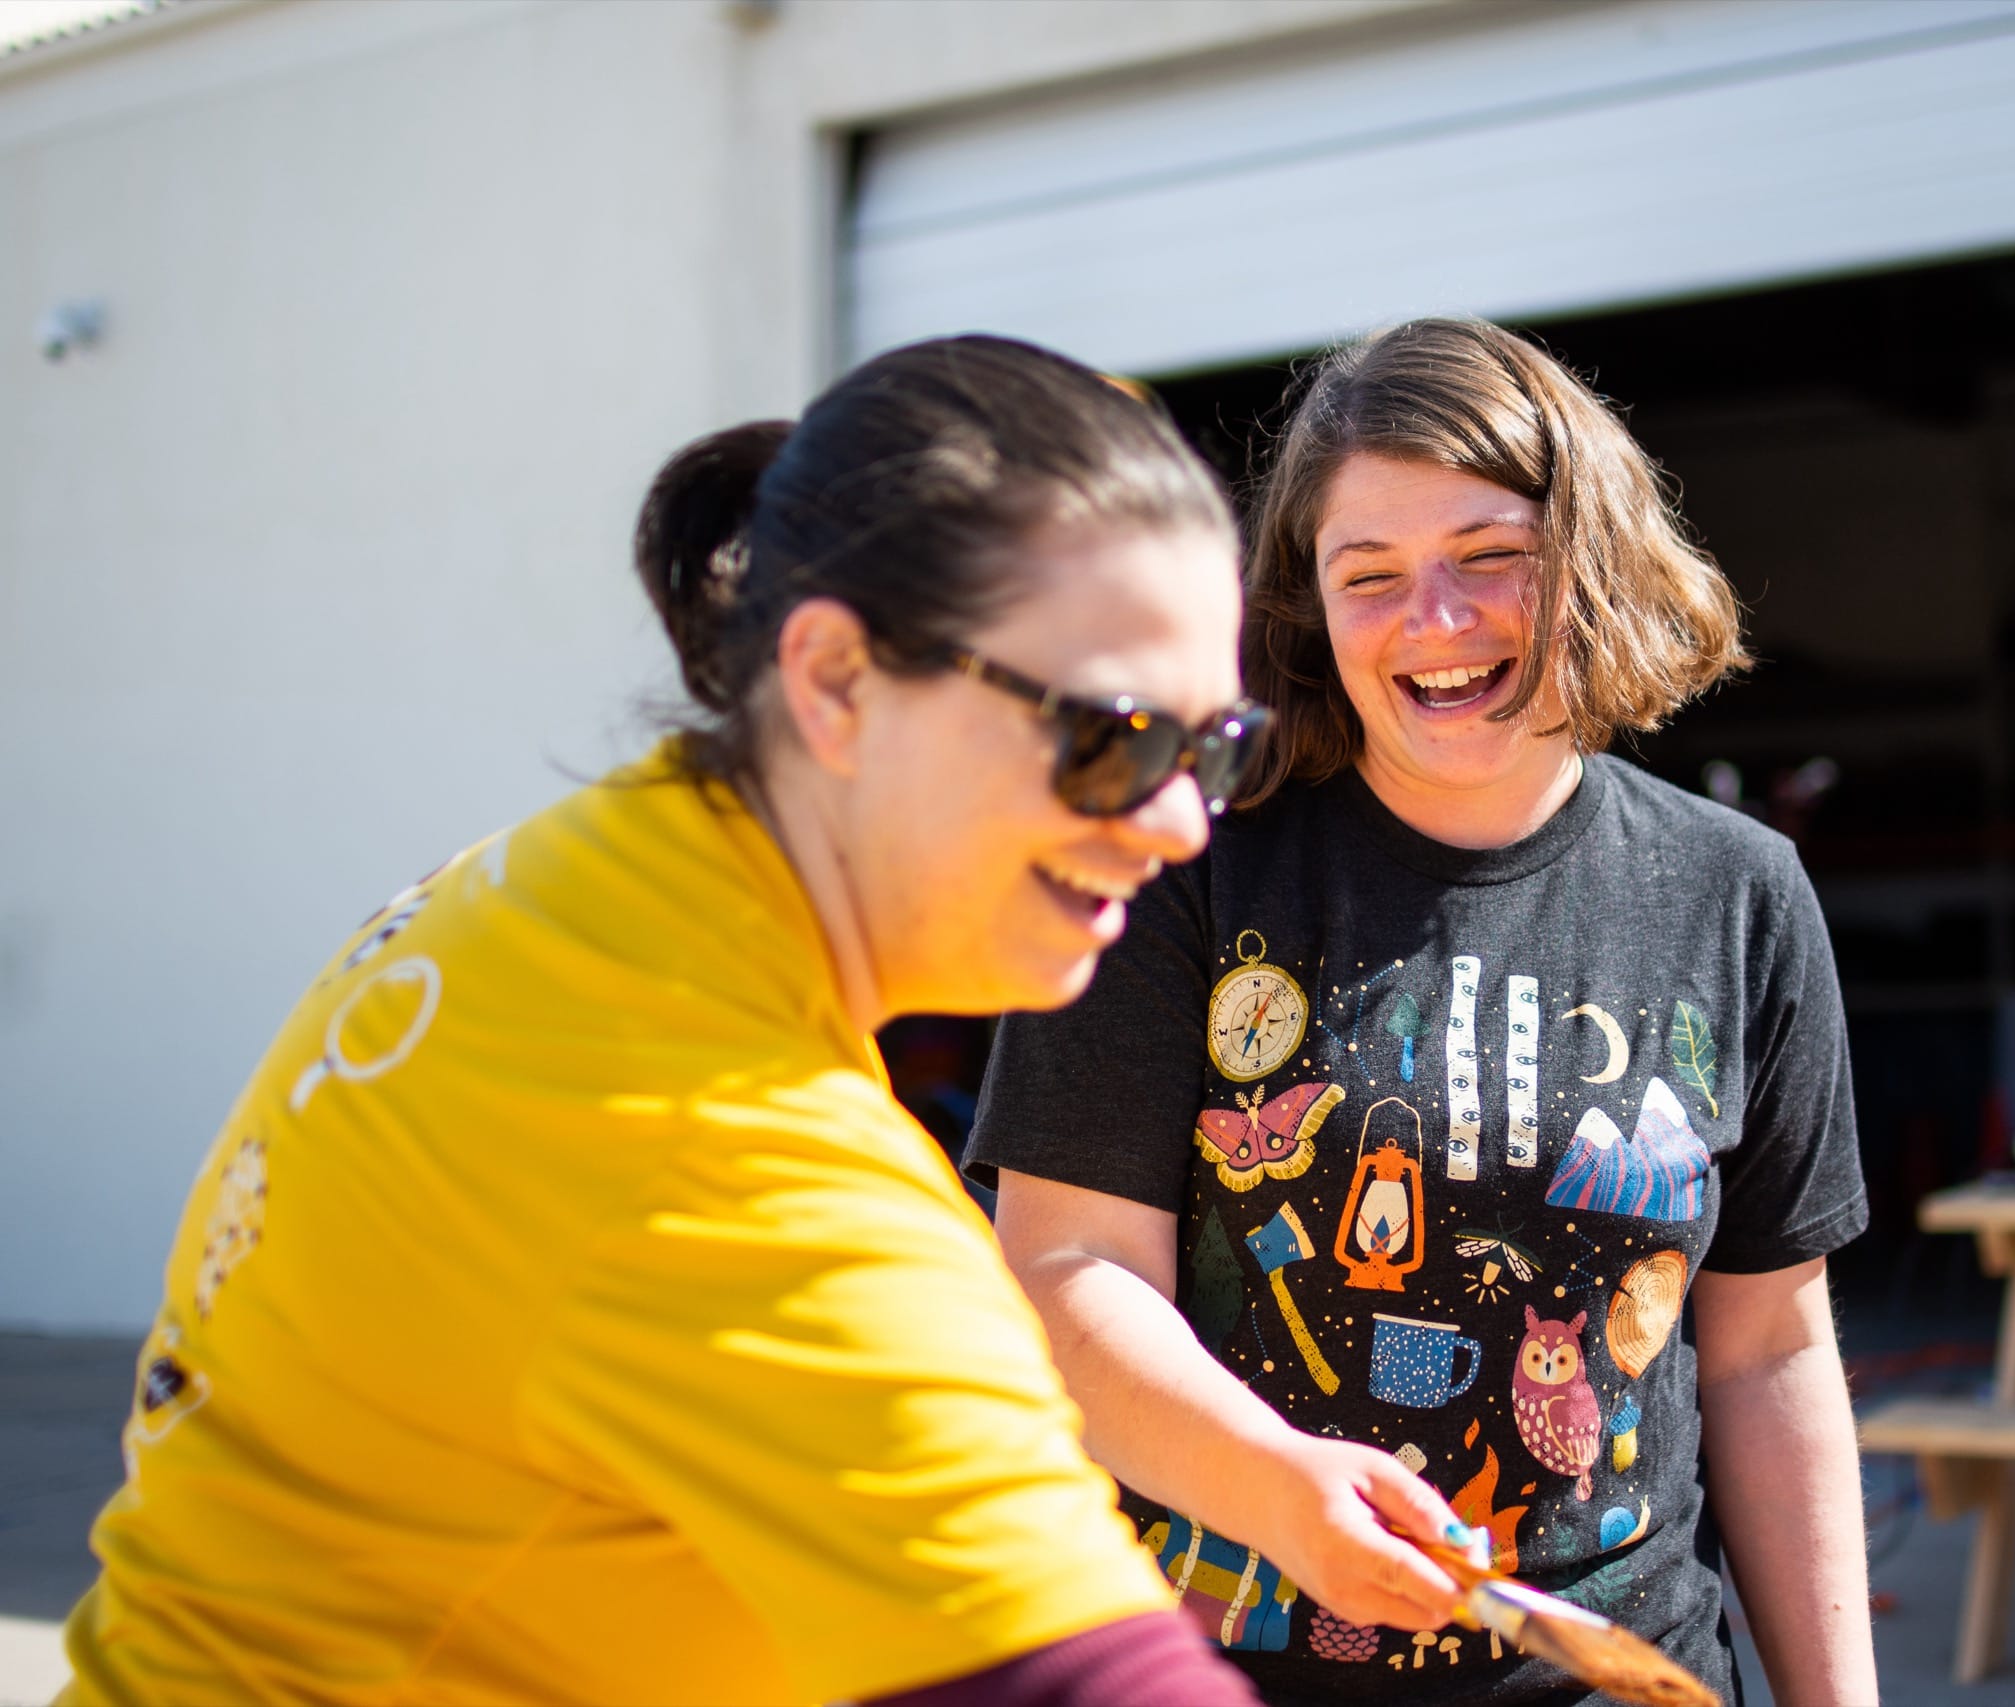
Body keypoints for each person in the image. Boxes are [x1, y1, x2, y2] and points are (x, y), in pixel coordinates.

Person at [58, 337, 1267, 1707]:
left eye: (1217, 747)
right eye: (1115, 737)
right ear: (835, 683)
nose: (1181, 823)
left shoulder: (585, 881)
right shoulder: (722, 1147)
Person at [966, 318, 1877, 1706]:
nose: (1434, 623)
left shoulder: (1737, 894)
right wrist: (1278, 1492)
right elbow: (1064, 1272)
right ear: (1307, 611)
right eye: (1369, 575)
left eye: (1489, 557)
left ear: (1593, 554)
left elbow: (1769, 1354)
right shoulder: (1175, 872)